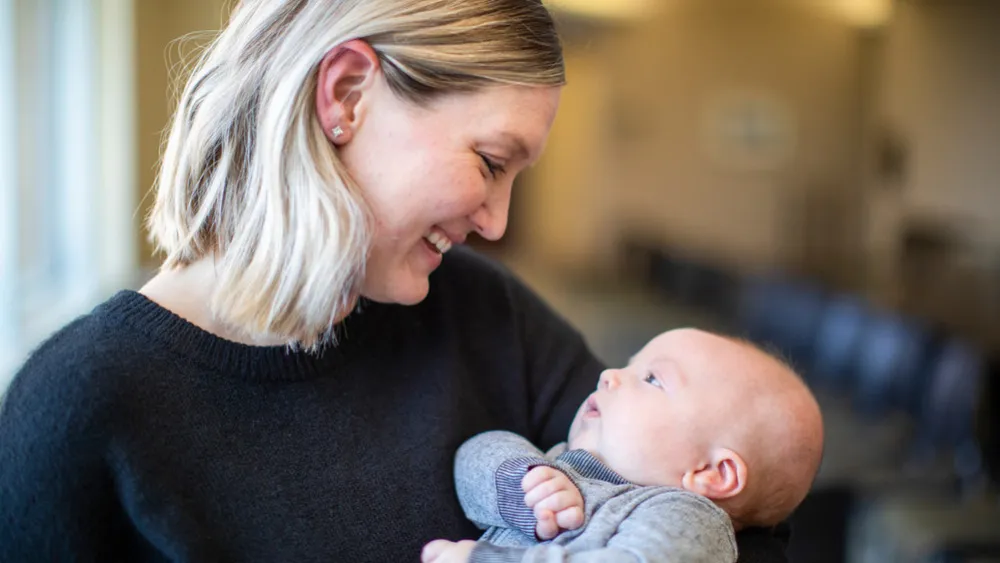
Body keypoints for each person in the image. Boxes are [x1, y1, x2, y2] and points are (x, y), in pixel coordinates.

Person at [0, 1, 794, 562]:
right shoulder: (77, 403)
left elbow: (729, 510)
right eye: (489, 162)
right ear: (346, 94)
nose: (497, 221)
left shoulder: (485, 314)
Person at [421, 328, 824, 562]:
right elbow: (473, 456)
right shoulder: (559, 463)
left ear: (711, 474)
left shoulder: (688, 520)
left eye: (651, 379)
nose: (610, 375)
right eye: (628, 364)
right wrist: (522, 482)